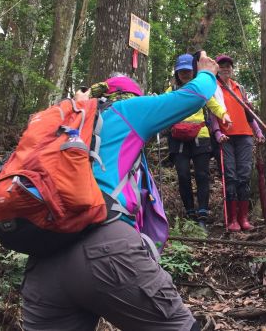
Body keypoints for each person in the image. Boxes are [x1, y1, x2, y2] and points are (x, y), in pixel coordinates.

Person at [21, 52, 220, 331]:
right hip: (105, 247)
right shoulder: (127, 111)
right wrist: (208, 72)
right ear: (131, 95)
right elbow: (194, 96)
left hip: (42, 262)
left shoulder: (64, 127)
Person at [167, 54, 232, 229]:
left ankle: (202, 214)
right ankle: (190, 213)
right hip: (177, 136)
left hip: (200, 135)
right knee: (183, 175)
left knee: (202, 175)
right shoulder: (172, 89)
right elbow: (162, 106)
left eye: (188, 70)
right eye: (181, 71)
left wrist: (224, 115)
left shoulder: (200, 88)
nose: (185, 74)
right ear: (176, 72)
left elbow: (213, 103)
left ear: (194, 70)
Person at [211, 54, 265, 232]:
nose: (226, 68)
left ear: (232, 69)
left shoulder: (239, 88)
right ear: (217, 68)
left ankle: (244, 218)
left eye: (229, 66)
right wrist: (217, 132)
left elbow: (248, 113)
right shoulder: (213, 87)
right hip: (226, 136)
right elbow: (212, 114)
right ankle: (232, 218)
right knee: (231, 176)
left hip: (245, 136)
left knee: (244, 175)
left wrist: (258, 131)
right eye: (222, 65)